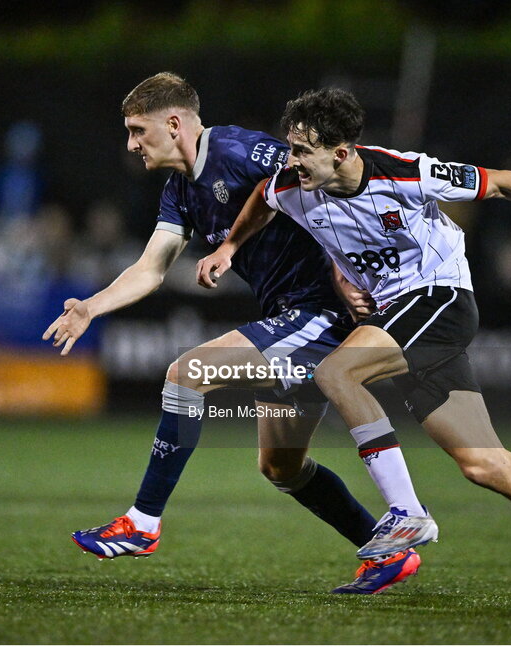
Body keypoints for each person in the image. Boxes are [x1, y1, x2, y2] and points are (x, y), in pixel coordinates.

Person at [196, 88, 511, 604]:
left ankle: (407, 513)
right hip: (400, 318)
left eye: (304, 151)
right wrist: (229, 247)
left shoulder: (406, 172)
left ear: (342, 152)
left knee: (336, 373)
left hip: (439, 299)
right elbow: (262, 197)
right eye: (291, 148)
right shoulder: (292, 185)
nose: (292, 161)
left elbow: (501, 183)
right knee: (485, 463)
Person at [42, 73, 421, 594]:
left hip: (320, 315)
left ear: (174, 124)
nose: (131, 143)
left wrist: (347, 271)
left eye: (137, 130)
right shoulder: (180, 190)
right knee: (281, 467)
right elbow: (152, 267)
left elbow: (327, 181)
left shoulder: (244, 151)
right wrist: (90, 308)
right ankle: (387, 553)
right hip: (291, 318)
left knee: (187, 374)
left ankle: (142, 522)